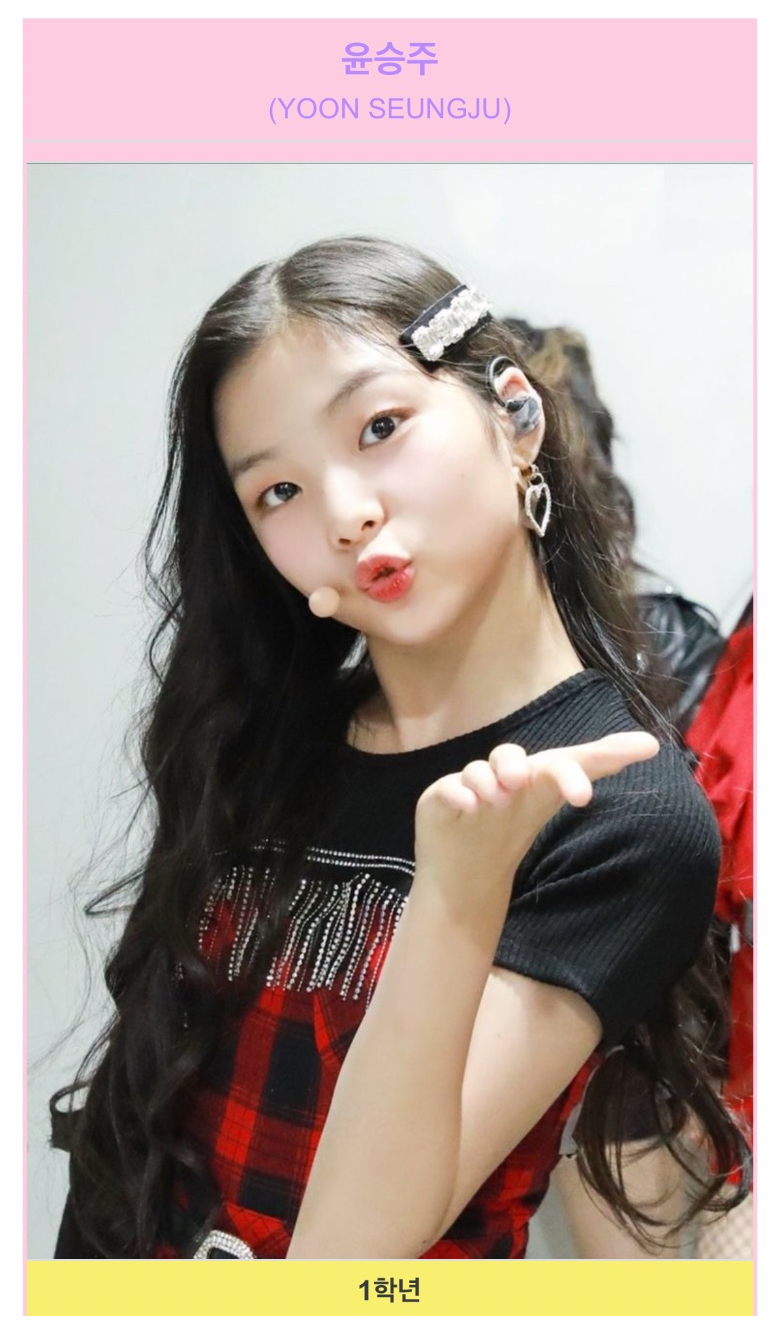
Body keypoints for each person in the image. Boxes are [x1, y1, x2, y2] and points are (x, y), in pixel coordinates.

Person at [51, 236, 749, 1260]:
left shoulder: (616, 804)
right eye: (277, 491)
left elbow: (351, 1253)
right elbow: (134, 1130)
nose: (346, 513)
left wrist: (456, 897)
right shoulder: (264, 736)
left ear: (516, 414)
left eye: (380, 427)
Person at [503, 319, 739, 1258]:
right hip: (526, 1032)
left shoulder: (667, 638)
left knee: (630, 1296)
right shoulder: (459, 655)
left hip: (625, 1055)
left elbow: (709, 873)